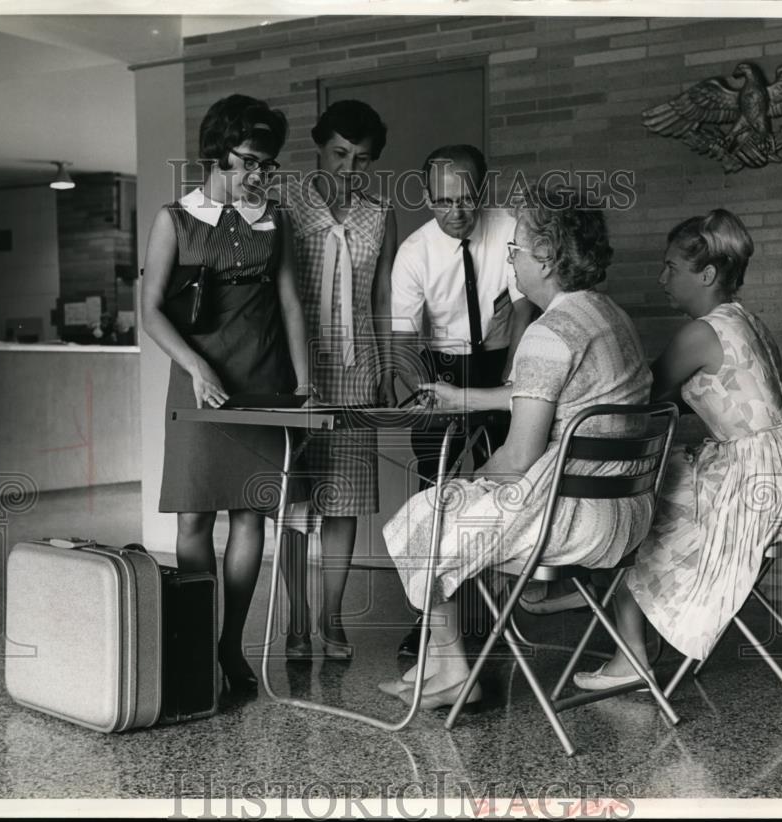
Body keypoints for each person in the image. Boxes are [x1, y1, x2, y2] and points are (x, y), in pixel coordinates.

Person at [379, 188, 653, 709]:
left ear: (546, 258)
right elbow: (551, 394)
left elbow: (520, 458)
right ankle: (439, 664)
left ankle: (451, 667)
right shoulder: (609, 316)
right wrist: (462, 397)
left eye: (516, 252)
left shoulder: (547, 333)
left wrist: (468, 480)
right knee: (442, 511)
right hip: (628, 511)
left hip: (574, 521)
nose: (513, 261)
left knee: (425, 514)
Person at [572, 209, 782, 690]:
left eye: (671, 268)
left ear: (707, 274)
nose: (662, 279)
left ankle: (630, 653)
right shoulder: (748, 323)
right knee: (659, 485)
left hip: (750, 487)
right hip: (777, 476)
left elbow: (641, 400)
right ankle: (634, 628)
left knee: (629, 507)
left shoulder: (701, 334)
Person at [141, 93, 312, 699]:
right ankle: (194, 637)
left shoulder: (276, 218)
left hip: (261, 376)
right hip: (198, 381)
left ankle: (230, 645)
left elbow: (290, 301)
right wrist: (195, 366)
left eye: (269, 165)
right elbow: (150, 311)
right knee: (193, 515)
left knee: (251, 513)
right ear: (215, 154)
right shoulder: (175, 219)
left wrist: (303, 383)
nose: (259, 176)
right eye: (248, 162)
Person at [390, 144, 537, 657]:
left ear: (483, 188)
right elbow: (405, 341)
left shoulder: (511, 225)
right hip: (441, 365)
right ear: (427, 197)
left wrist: (512, 377)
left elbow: (523, 308)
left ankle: (498, 607)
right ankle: (431, 620)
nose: (456, 213)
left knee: (511, 480)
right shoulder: (415, 252)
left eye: (466, 199)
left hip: (502, 359)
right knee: (438, 490)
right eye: (442, 201)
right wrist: (418, 392)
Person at [280, 100, 397, 659]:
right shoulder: (285, 204)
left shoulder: (379, 213)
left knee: (345, 500)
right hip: (295, 370)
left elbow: (381, 297)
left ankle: (331, 618)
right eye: (340, 154)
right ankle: (296, 623)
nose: (350, 170)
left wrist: (386, 366)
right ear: (318, 146)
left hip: (356, 368)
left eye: (363, 159)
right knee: (291, 502)